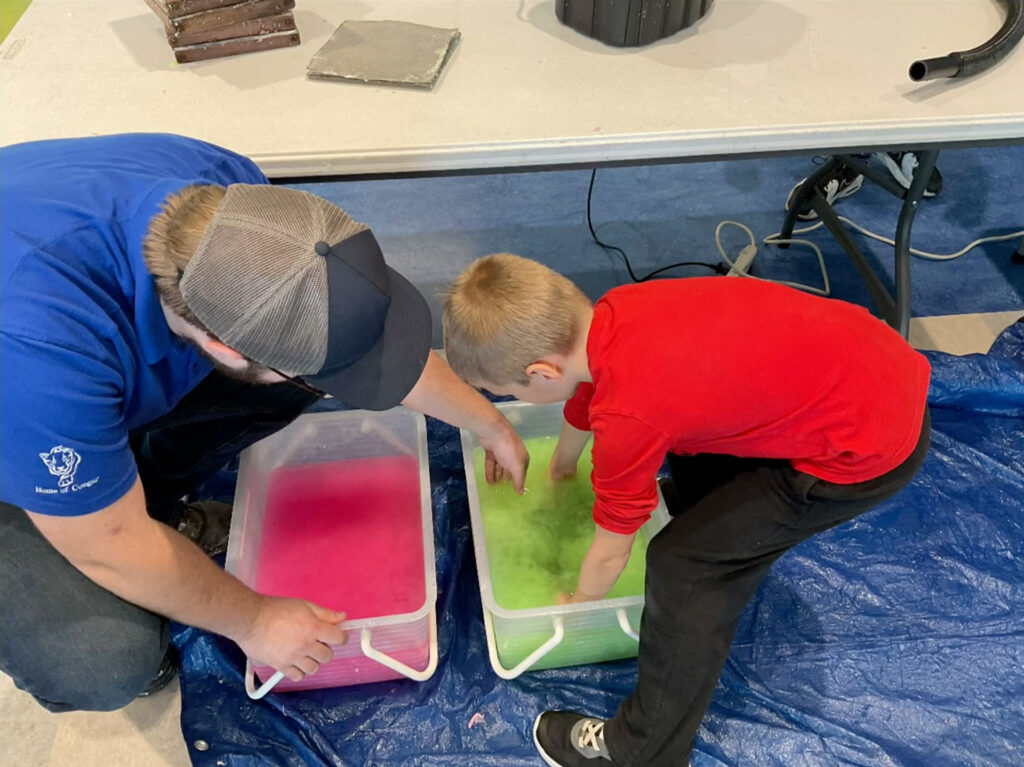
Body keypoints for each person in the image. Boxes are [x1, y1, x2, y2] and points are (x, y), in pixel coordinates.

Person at [0, 133, 528, 713]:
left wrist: (490, 424)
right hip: (21, 401)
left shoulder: (235, 197)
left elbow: (352, 333)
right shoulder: (43, 354)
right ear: (224, 347)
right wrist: (254, 619)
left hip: (57, 384)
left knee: (294, 375)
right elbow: (106, 545)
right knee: (104, 661)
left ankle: (139, 493)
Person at [442, 254, 931, 767]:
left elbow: (611, 552)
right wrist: (561, 467)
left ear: (541, 372)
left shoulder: (630, 413)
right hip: (873, 366)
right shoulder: (615, 313)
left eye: (509, 393)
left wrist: (577, 603)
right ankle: (711, 514)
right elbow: (592, 393)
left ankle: (644, 749)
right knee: (691, 435)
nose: (511, 399)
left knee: (685, 565)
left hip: (865, 451)